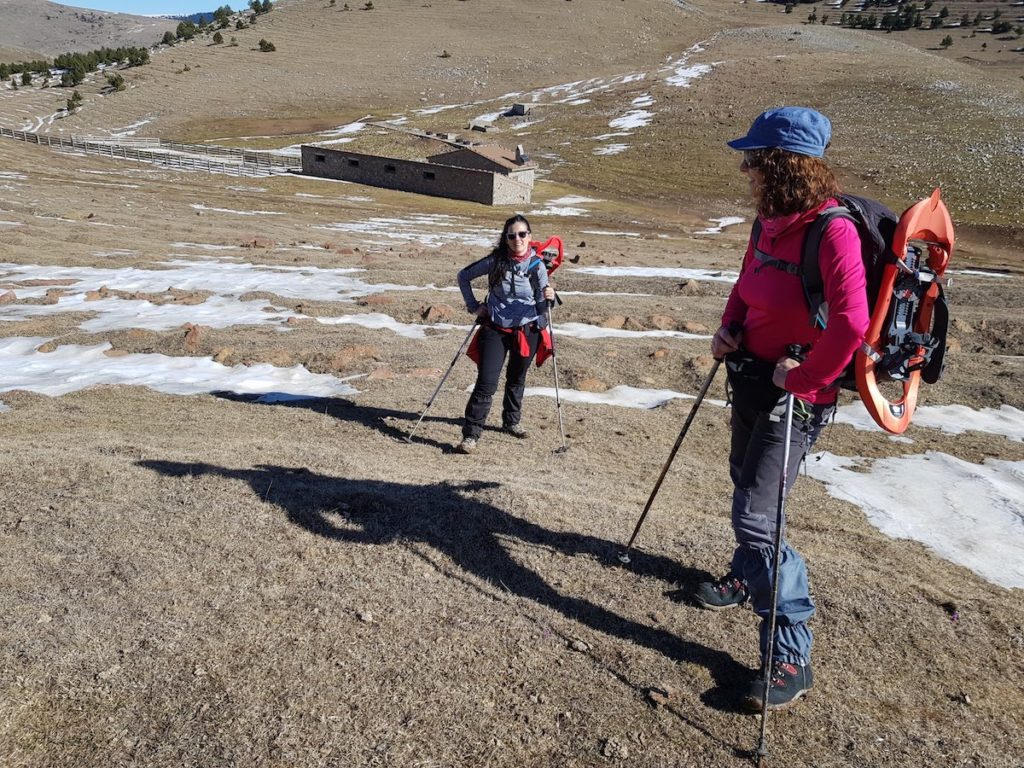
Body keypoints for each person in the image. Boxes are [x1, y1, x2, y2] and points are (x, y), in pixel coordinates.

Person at [692, 107, 869, 710]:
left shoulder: (834, 231)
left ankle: (790, 651)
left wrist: (808, 375)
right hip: (751, 377)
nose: (745, 168)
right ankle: (748, 574)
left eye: (755, 158)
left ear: (782, 164)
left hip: (799, 394)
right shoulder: (766, 222)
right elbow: (745, 286)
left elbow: (851, 322)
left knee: (758, 516)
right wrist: (728, 327)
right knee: (745, 483)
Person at [456, 214, 555, 454]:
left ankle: (511, 421)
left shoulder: (537, 265)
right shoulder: (495, 261)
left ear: (529, 237)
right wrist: (474, 306)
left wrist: (549, 298)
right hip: (496, 328)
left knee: (517, 378)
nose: (517, 239)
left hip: (527, 329)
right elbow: (464, 276)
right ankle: (471, 435)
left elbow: (542, 301)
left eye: (522, 234)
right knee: (486, 382)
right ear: (506, 239)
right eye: (512, 235)